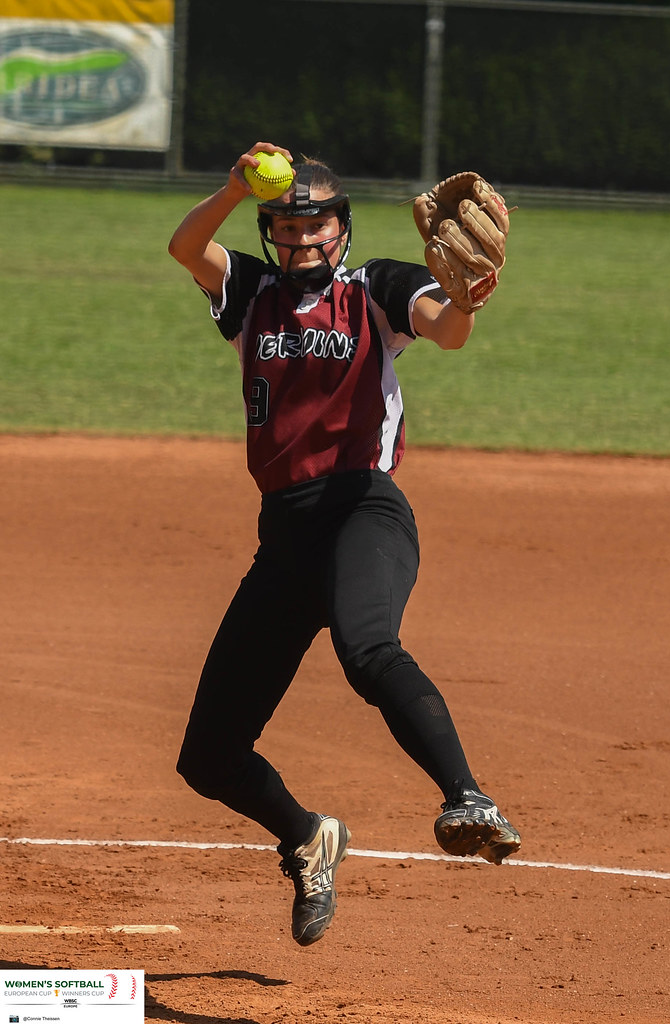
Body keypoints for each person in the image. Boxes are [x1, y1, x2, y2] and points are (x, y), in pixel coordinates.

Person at [169, 141, 521, 948]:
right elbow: (186, 249)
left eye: (313, 224)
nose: (299, 242)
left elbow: (446, 329)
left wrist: (465, 298)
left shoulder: (378, 287)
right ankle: (306, 837)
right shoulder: (250, 292)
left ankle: (468, 797)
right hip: (286, 537)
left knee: (368, 649)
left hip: (364, 508)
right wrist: (230, 189)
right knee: (208, 757)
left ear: (341, 227)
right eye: (283, 228)